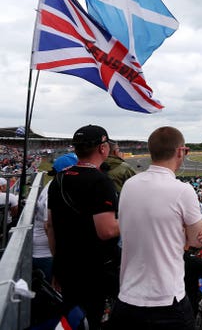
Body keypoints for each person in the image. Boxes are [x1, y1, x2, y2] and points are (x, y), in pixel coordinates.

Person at [109, 126, 202, 330]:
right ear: (180, 151)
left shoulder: (130, 184)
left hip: (128, 296)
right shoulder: (182, 191)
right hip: (167, 299)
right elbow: (196, 240)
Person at [47, 125, 120, 329]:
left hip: (66, 268)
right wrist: (133, 219)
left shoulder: (58, 179)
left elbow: (49, 226)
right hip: (95, 271)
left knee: (72, 320)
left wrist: (58, 265)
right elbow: (106, 231)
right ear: (102, 148)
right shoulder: (100, 181)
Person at [33, 153, 77, 284]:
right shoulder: (53, 191)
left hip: (45, 251)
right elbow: (49, 226)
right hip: (46, 254)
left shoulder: (56, 185)